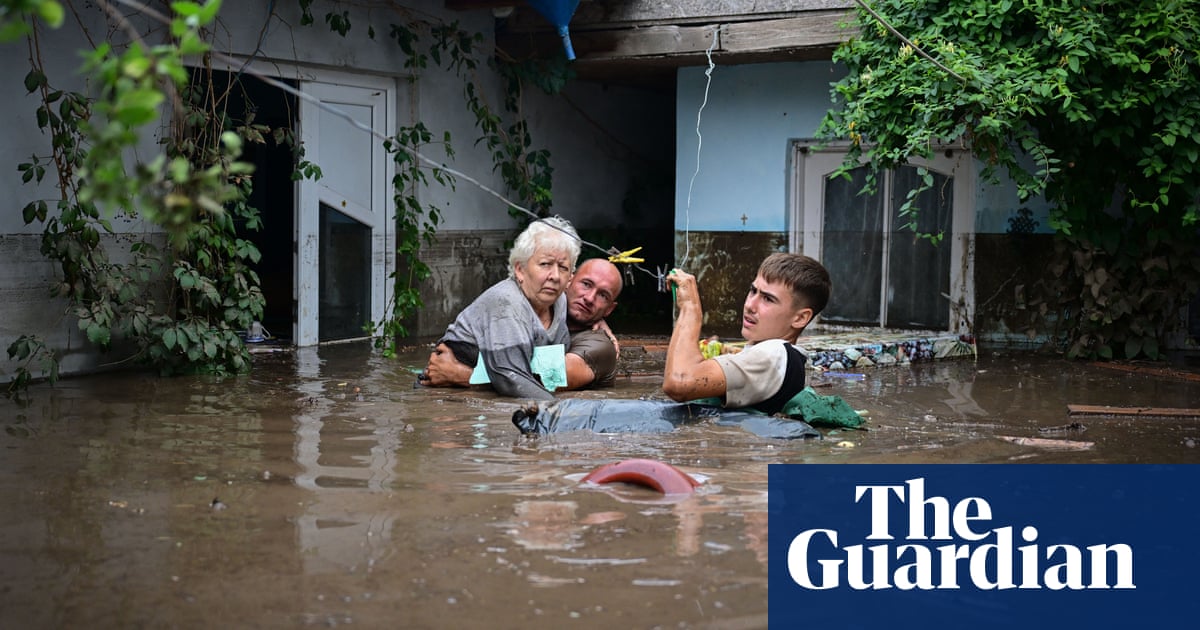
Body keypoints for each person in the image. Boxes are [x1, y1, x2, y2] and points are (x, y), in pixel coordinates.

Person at [419, 216, 581, 401]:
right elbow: (511, 379)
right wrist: (563, 413)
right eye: (545, 264)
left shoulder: (560, 301)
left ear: (570, 278)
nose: (555, 276)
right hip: (447, 399)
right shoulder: (506, 301)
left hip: (479, 387)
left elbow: (546, 371)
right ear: (520, 269)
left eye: (563, 267)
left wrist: (466, 376)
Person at [662, 252, 831, 414]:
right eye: (753, 290)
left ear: (800, 318)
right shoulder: (790, 359)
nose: (750, 305)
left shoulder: (774, 353)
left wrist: (690, 308)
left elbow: (679, 382)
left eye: (768, 299)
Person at [422, 257, 624, 392]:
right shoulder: (535, 309)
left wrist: (460, 375)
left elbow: (547, 381)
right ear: (568, 281)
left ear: (609, 309)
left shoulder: (600, 346)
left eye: (602, 295)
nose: (589, 298)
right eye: (586, 284)